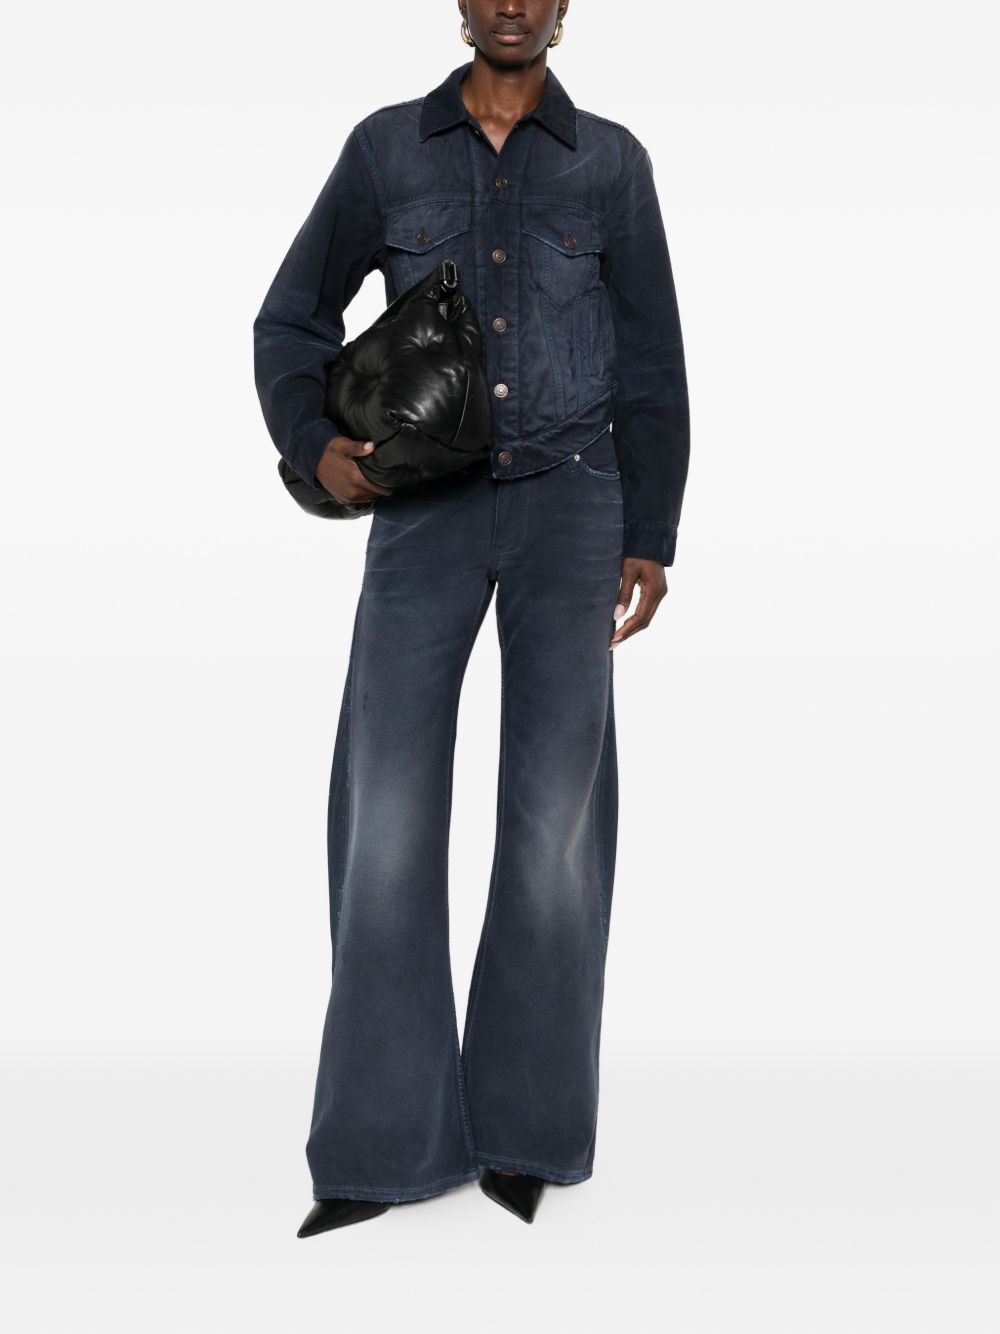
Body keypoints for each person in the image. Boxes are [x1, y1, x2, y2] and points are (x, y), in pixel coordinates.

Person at [252, 0, 689, 1235]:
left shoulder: (610, 163)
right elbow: (289, 317)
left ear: (562, 7)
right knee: (386, 808)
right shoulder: (385, 148)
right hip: (423, 505)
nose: (509, 4)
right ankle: (380, 1146)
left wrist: (651, 528)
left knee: (554, 821)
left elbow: (653, 357)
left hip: (574, 503)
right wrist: (312, 440)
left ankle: (525, 1134)